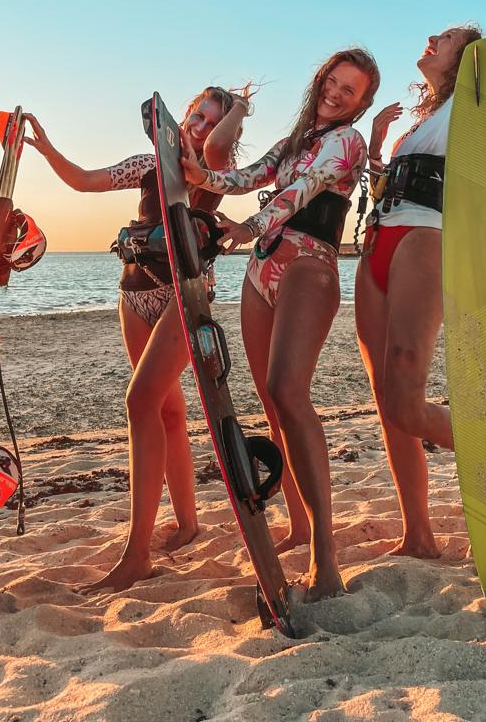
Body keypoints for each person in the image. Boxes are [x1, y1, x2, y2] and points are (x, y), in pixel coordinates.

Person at [23, 86, 250, 584]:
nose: (200, 128)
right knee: (166, 409)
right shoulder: (147, 164)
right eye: (196, 117)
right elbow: (84, 181)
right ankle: (188, 524)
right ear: (181, 117)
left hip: (183, 296)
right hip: (134, 293)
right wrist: (45, 148)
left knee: (139, 403)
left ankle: (137, 554)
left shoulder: (215, 173)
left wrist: (237, 109)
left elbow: (216, 149)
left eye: (212, 122)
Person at [181, 49, 380, 600]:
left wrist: (250, 225)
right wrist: (198, 172)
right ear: (320, 80)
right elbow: (246, 175)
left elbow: (304, 190)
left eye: (351, 91)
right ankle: (295, 524)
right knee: (270, 403)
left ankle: (325, 553)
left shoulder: (349, 143)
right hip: (260, 269)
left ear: (361, 104)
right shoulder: (296, 139)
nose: (337, 94)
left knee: (288, 390)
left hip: (308, 264)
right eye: (333, 82)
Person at [355, 10, 486, 557]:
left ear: (467, 58)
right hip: (377, 240)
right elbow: (386, 182)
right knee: (385, 399)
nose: (432, 38)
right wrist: (376, 143)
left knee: (406, 403)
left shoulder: (476, 100)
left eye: (446, 38)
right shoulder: (424, 118)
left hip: (426, 237)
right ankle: (419, 536)